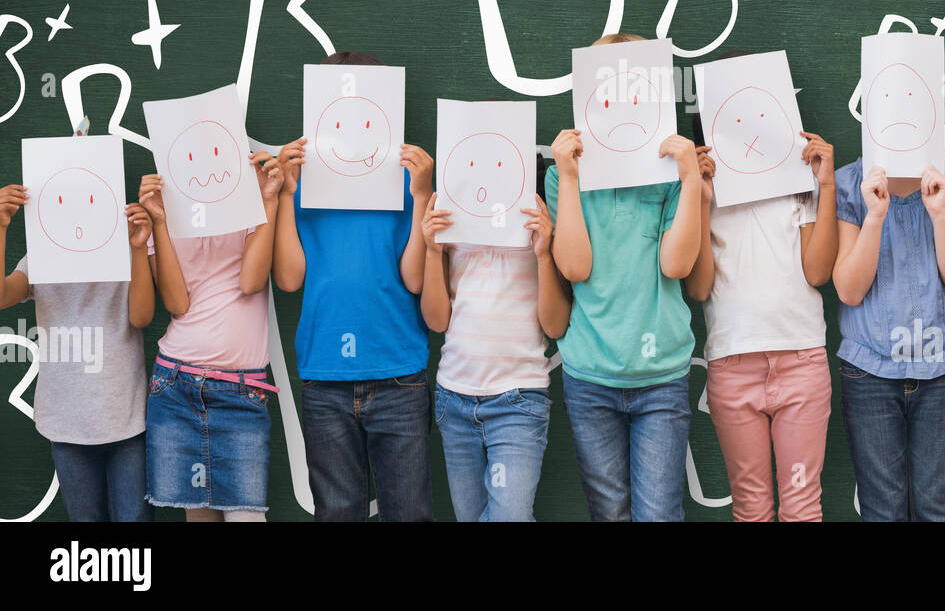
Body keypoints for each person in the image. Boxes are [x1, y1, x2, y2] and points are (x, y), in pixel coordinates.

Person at [545, 33, 702, 521]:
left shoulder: (670, 177)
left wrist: (691, 179)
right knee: (609, 512)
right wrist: (568, 179)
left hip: (661, 375)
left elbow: (677, 266)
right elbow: (574, 268)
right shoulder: (561, 177)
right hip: (590, 374)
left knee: (659, 514)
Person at [273, 51, 437, 521]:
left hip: (398, 373)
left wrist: (422, 194)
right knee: (337, 511)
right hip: (325, 376)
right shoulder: (300, 183)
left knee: (408, 512)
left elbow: (413, 277)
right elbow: (288, 278)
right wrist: (286, 193)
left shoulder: (406, 182)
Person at [685, 110, 838, 522]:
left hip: (801, 359)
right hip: (733, 364)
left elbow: (818, 272)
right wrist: (699, 200)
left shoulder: (797, 178)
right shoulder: (704, 189)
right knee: (750, 508)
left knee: (802, 507)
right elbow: (698, 288)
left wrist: (826, 185)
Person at [833, 137, 945, 521]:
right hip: (869, 370)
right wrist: (874, 217)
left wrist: (939, 214)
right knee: (882, 511)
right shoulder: (851, 182)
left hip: (940, 370)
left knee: (935, 508)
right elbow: (849, 290)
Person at [421, 155, 571, 521]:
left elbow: (555, 327)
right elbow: (437, 320)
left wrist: (544, 254)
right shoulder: (451, 214)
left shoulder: (539, 218)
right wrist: (431, 249)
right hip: (454, 398)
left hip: (518, 399)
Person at [0, 182, 155, 521]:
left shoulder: (128, 246)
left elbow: (141, 317)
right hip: (65, 420)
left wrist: (140, 251)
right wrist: (0, 227)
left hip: (125, 419)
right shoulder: (42, 252)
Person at [142, 150, 282, 521]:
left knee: (247, 517)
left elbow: (252, 282)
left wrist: (267, 199)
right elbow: (176, 302)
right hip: (176, 385)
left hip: (241, 392)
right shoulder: (168, 211)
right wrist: (159, 220)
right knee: (199, 518)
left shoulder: (251, 201)